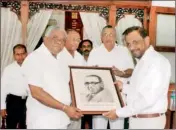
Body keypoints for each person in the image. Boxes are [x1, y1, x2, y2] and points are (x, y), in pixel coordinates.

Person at [103, 26, 171, 129]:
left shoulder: (157, 62)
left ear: (147, 40)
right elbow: (139, 91)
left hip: (148, 123)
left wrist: (119, 113)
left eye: (135, 42)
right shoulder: (142, 62)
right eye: (128, 44)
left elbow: (147, 99)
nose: (131, 47)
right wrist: (123, 87)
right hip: (138, 120)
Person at [21, 26, 83, 129]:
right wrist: (65, 108)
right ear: (45, 38)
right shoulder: (35, 58)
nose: (59, 42)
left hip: (61, 120)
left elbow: (68, 85)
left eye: (63, 40)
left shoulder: (61, 59)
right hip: (43, 121)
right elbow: (37, 93)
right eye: (55, 38)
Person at [87, 25, 134, 129]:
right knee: (98, 126)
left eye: (111, 35)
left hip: (118, 95)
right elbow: (87, 74)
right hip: (99, 97)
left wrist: (121, 73)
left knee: (117, 127)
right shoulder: (94, 52)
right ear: (101, 37)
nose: (108, 37)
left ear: (115, 37)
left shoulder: (124, 51)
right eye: (105, 34)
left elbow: (131, 71)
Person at [58, 29, 84, 129]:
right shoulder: (58, 55)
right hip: (62, 99)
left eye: (78, 40)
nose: (76, 42)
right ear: (65, 39)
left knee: (76, 125)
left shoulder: (79, 57)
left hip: (77, 97)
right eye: (73, 39)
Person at [1, 44, 28, 129]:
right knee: (11, 126)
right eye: (18, 54)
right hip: (13, 102)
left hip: (29, 101)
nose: (21, 57)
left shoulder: (32, 67)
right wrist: (2, 107)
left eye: (23, 53)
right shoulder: (8, 69)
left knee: (27, 126)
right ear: (14, 56)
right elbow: (2, 89)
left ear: (26, 54)